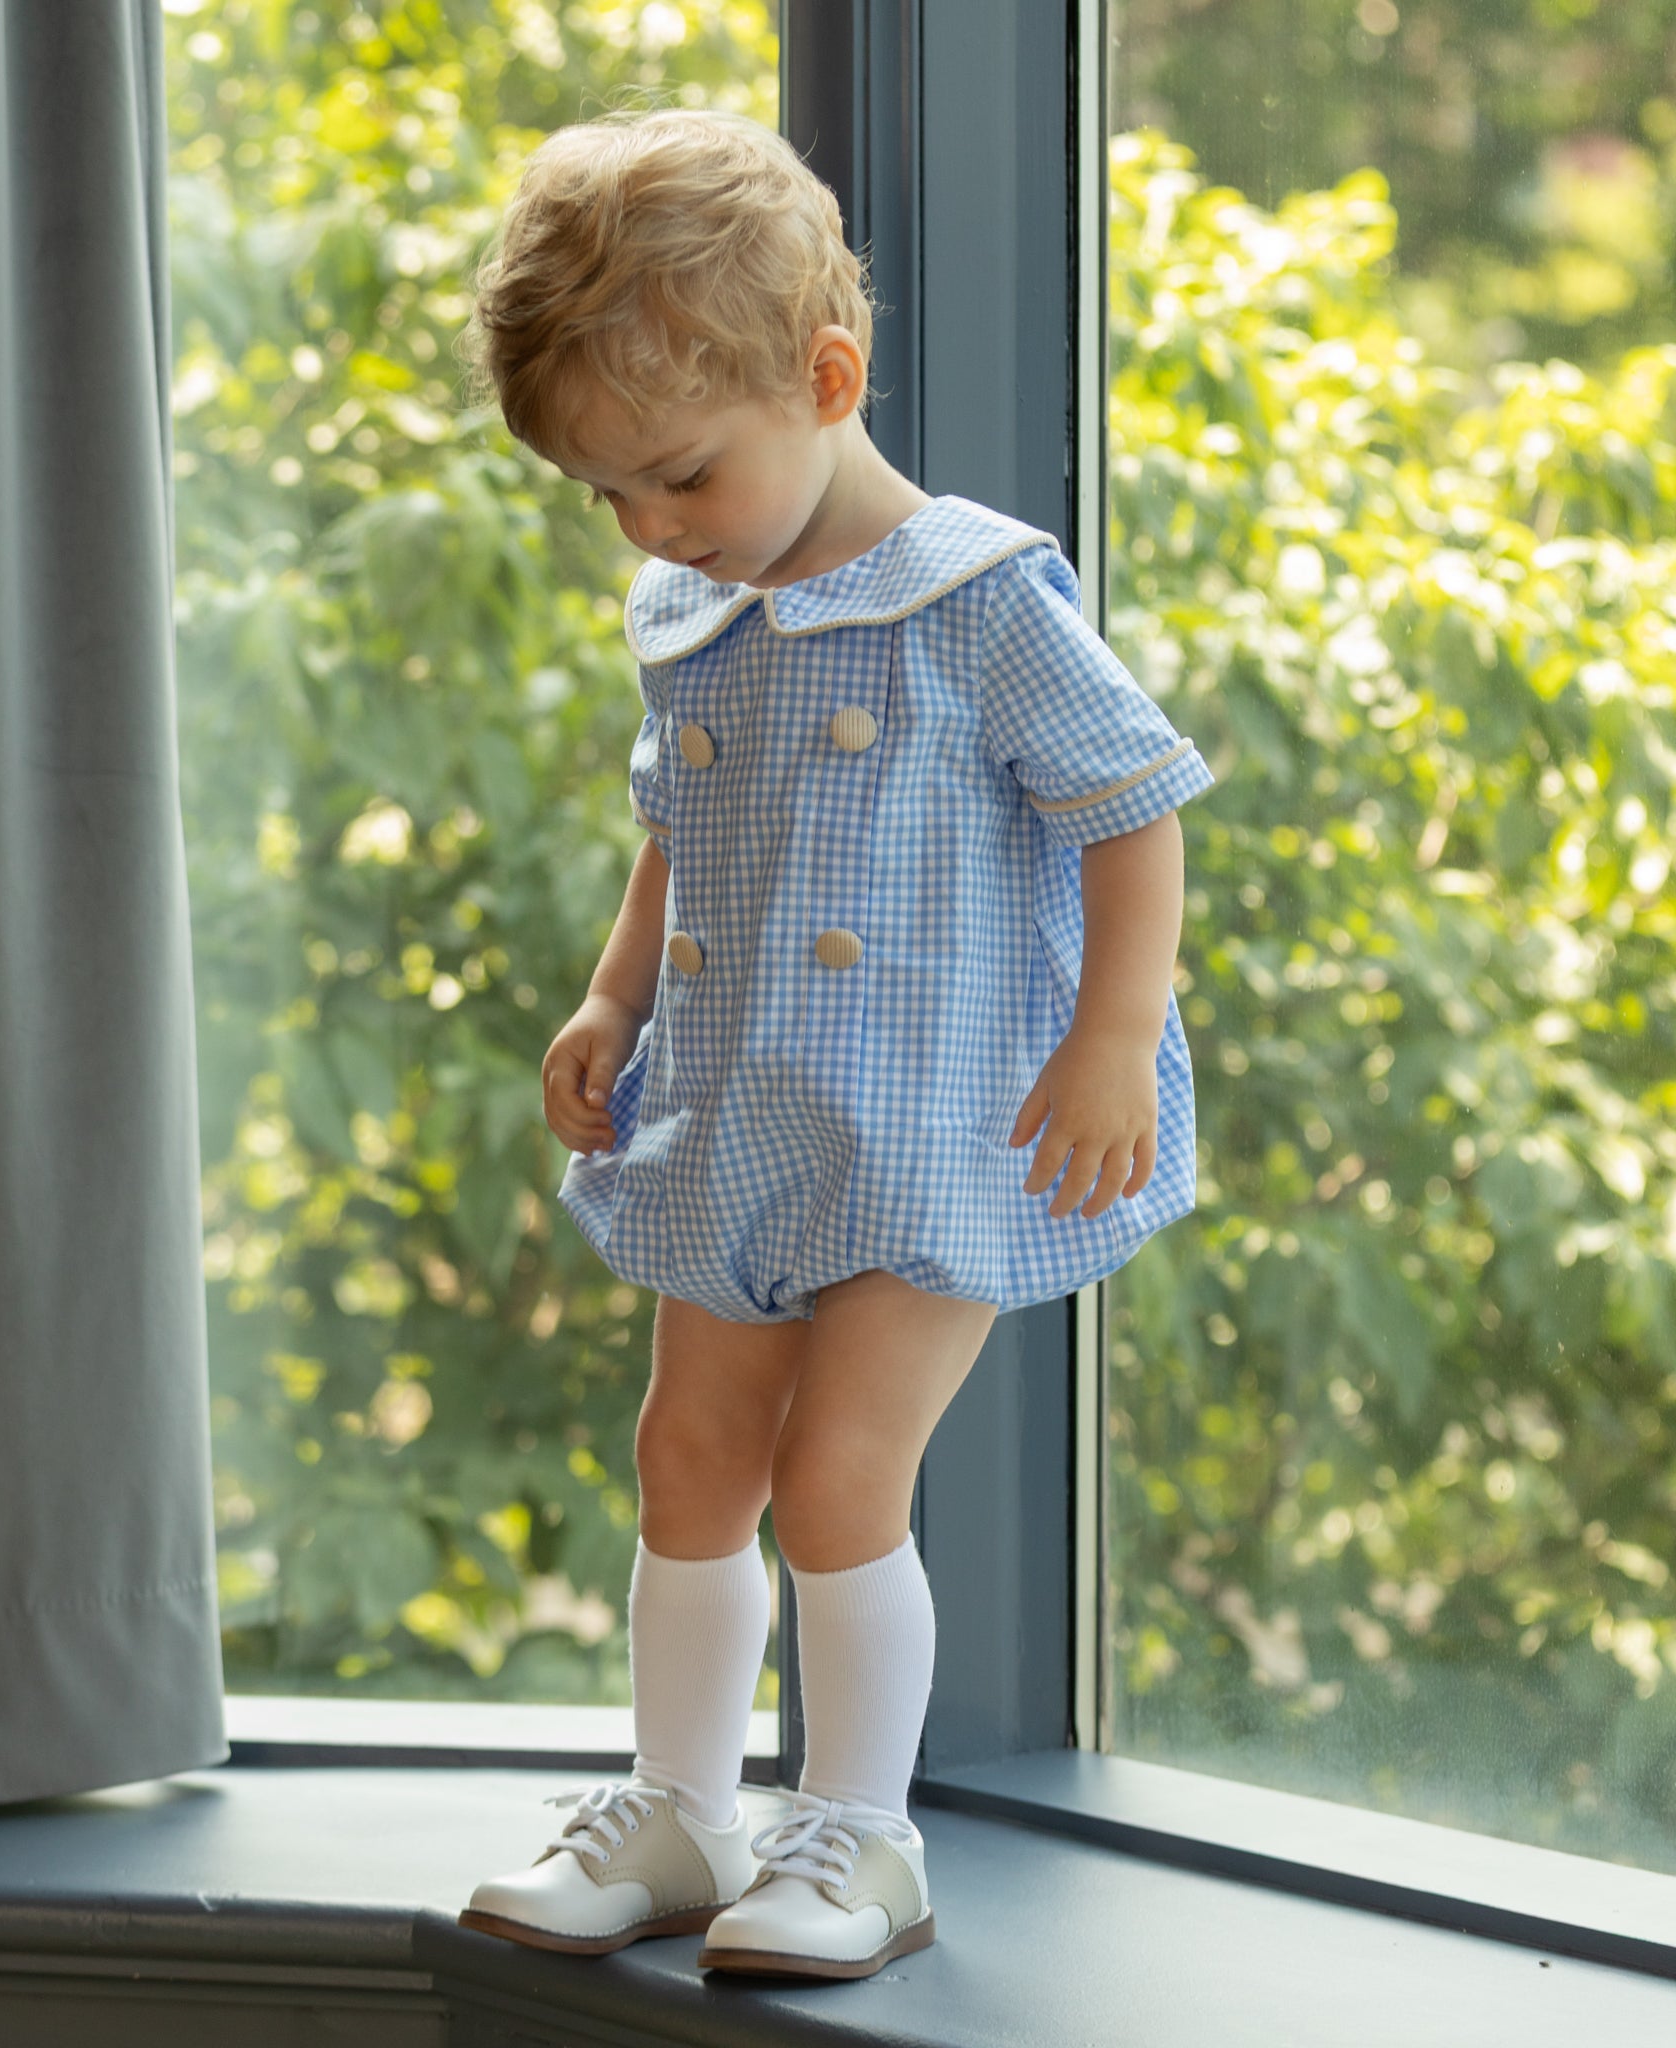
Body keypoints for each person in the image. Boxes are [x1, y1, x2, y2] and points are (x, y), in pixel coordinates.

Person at [448, 105, 1214, 1982]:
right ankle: (683, 1808)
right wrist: (614, 998)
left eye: (680, 476)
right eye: (607, 496)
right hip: (739, 1113)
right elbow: (674, 828)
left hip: (941, 1126)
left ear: (828, 376)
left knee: (837, 1481)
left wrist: (1119, 1031)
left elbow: (1134, 808)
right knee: (684, 1456)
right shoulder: (699, 604)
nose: (646, 528)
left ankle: (862, 1836)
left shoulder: (975, 593)